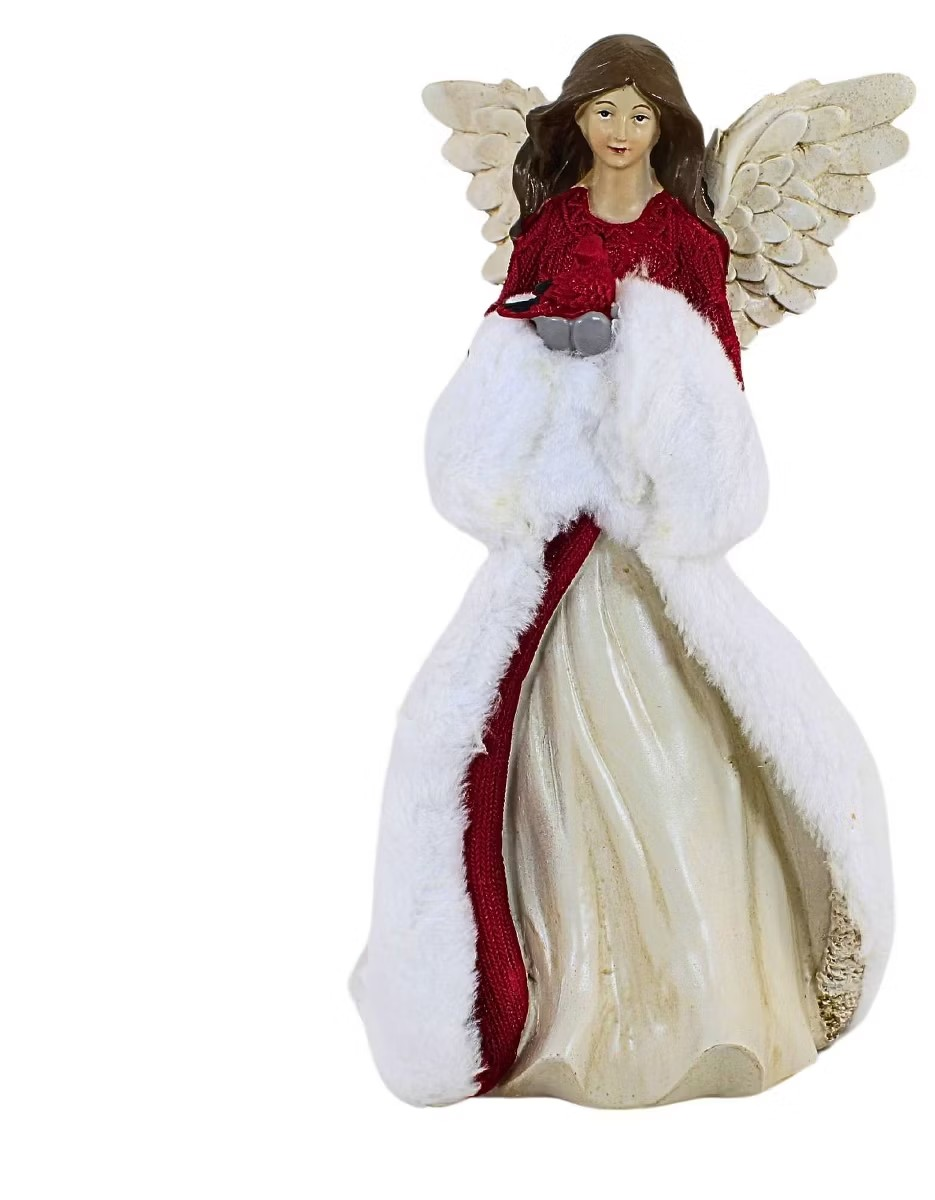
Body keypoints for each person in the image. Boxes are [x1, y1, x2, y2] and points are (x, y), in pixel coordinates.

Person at [350, 34, 894, 1109]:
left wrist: (650, 371)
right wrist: (544, 359)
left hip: (645, 534)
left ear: (664, 127)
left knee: (681, 762)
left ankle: (708, 993)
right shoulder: (552, 225)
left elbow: (714, 378)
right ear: (577, 119)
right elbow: (502, 340)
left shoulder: (687, 236)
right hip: (565, 535)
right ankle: (577, 1000)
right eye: (604, 111)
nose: (620, 131)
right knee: (550, 768)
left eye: (640, 115)